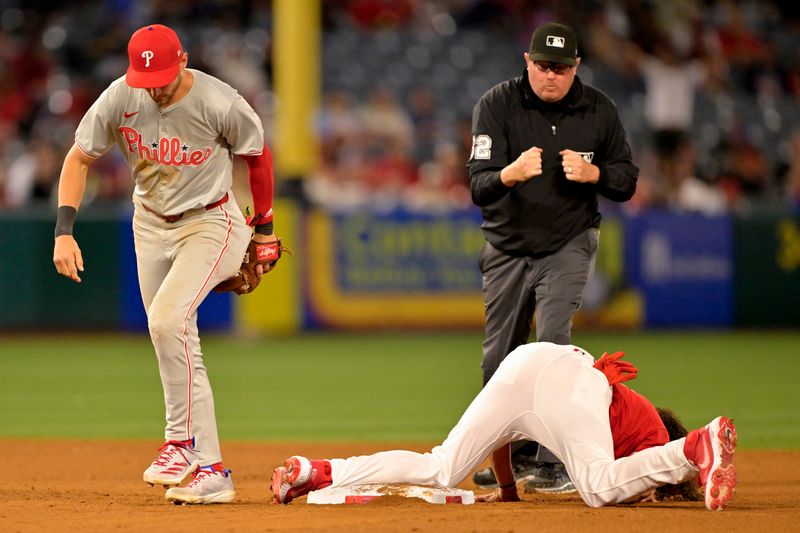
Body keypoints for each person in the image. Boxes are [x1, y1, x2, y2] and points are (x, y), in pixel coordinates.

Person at [52, 24, 281, 505]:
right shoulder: (120, 97)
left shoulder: (220, 101)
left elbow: (257, 158)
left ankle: (180, 443)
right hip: (149, 224)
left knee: (167, 319)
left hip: (210, 221)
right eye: (145, 77)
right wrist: (64, 230)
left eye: (163, 76)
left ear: (184, 59)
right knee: (173, 336)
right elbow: (78, 159)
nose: (154, 86)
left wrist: (262, 229)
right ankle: (213, 471)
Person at [467, 21, 638, 491]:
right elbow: (479, 187)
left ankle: (553, 460)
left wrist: (594, 172)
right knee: (500, 359)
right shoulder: (496, 105)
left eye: (561, 68)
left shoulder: (599, 110)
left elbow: (626, 181)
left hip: (569, 241)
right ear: (527, 61)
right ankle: (512, 457)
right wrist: (510, 173)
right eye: (543, 65)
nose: (551, 75)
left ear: (576, 67)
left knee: (554, 344)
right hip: (506, 246)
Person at [270, 343, 737, 512]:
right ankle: (696, 445)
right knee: (598, 489)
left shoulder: (639, 417)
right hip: (574, 383)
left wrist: (510, 491)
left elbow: (506, 434)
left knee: (442, 466)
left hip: (529, 360)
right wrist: (670, 466)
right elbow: (630, 485)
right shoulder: (653, 434)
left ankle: (318, 472)